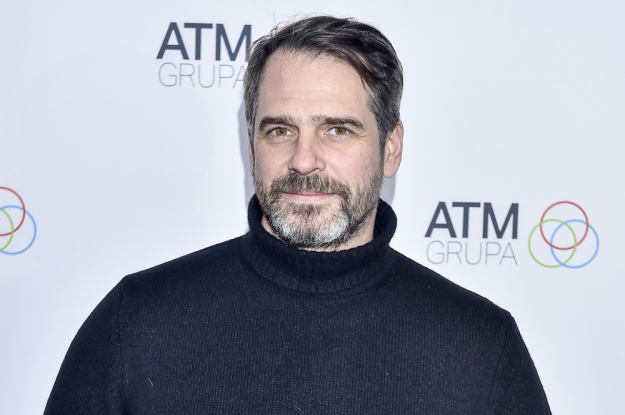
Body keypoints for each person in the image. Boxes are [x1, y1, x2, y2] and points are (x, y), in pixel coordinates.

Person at [45, 16, 551, 414]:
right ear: (251, 148)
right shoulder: (138, 321)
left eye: (338, 130)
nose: (304, 160)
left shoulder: (480, 346)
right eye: (280, 130)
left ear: (391, 148)